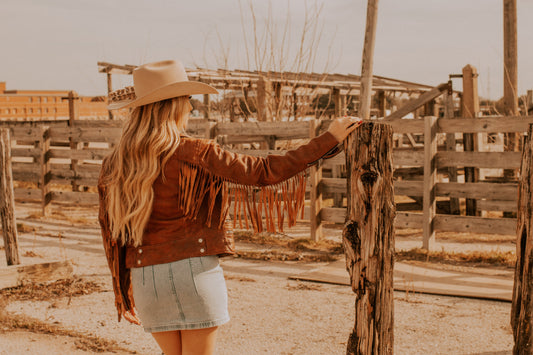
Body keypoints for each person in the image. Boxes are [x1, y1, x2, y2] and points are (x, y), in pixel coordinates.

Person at [98, 60, 362, 355]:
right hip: (193, 272)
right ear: (173, 105)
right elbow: (263, 171)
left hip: (146, 278)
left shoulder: (116, 165)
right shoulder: (195, 152)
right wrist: (329, 139)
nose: (191, 107)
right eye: (187, 100)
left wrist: (123, 291)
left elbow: (112, 234)